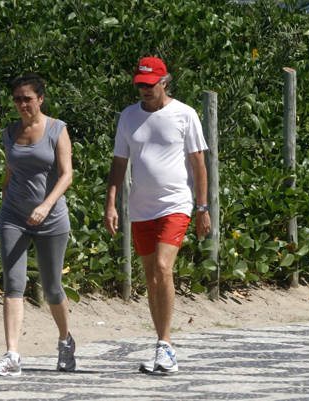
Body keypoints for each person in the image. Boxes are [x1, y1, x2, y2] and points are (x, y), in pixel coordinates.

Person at [104, 56, 211, 374]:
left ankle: (166, 345)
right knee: (151, 277)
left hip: (175, 204)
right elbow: (119, 164)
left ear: (165, 82)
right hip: (140, 208)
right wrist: (111, 203)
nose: (144, 90)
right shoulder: (128, 116)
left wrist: (202, 207)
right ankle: (160, 343)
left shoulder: (185, 114)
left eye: (150, 85)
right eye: (140, 84)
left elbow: (198, 164)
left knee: (164, 268)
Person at [0, 73, 76, 376]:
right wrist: (4, 195)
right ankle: (12, 354)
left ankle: (65, 340)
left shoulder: (57, 129)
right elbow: (11, 168)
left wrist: (45, 204)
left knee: (51, 288)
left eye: (27, 98)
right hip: (13, 215)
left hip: (50, 218)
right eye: (17, 99)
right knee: (13, 284)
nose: (22, 104)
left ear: (40, 99)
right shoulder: (9, 132)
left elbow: (67, 174)